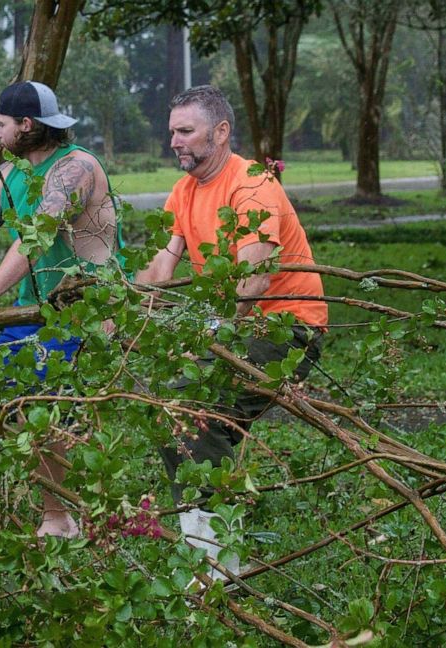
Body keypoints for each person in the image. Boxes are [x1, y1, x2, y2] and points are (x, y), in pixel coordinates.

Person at [135, 85, 328, 578]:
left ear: (220, 132)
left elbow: (252, 283)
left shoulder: (253, 186)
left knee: (189, 411)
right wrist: (115, 302)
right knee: (178, 416)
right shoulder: (184, 190)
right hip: (226, 326)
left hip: (285, 327)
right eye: (171, 132)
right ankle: (208, 540)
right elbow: (159, 271)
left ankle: (219, 564)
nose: (175, 141)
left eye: (186, 131)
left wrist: (199, 341)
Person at [0, 80, 125, 538]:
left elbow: (39, 231)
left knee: (40, 413)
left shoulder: (76, 169)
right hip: (30, 314)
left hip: (85, 312)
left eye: (0, 125)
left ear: (26, 124)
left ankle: (55, 518)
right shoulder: (6, 176)